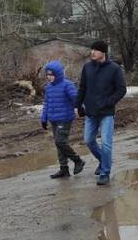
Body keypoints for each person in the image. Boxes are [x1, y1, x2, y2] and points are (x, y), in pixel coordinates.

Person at [76, 40, 127, 186]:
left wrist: (108, 102)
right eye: (91, 50)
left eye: (96, 50)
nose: (92, 52)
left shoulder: (114, 69)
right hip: (91, 112)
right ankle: (103, 160)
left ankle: (105, 172)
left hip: (106, 113)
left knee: (106, 143)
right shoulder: (87, 67)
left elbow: (121, 90)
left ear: (103, 52)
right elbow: (82, 87)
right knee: (89, 141)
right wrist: (77, 105)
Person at [40, 60, 86, 179]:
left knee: (60, 141)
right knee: (59, 145)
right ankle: (64, 169)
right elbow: (46, 104)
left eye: (51, 74)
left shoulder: (67, 85)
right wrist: (43, 119)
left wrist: (81, 108)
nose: (49, 77)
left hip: (65, 118)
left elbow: (76, 98)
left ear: (58, 74)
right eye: (47, 74)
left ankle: (78, 160)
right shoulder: (49, 87)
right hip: (53, 119)